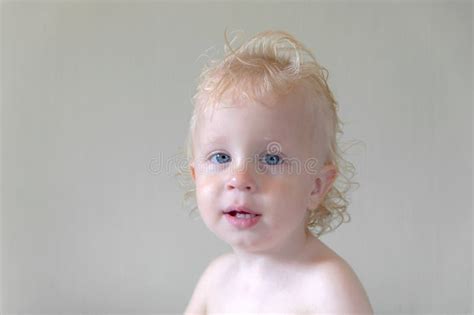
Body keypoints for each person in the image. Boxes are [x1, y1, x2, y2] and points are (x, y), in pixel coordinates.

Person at [181, 29, 373, 314]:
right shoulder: (215, 279)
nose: (239, 179)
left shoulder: (327, 286)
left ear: (315, 187)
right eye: (221, 156)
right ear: (196, 176)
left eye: (270, 159)